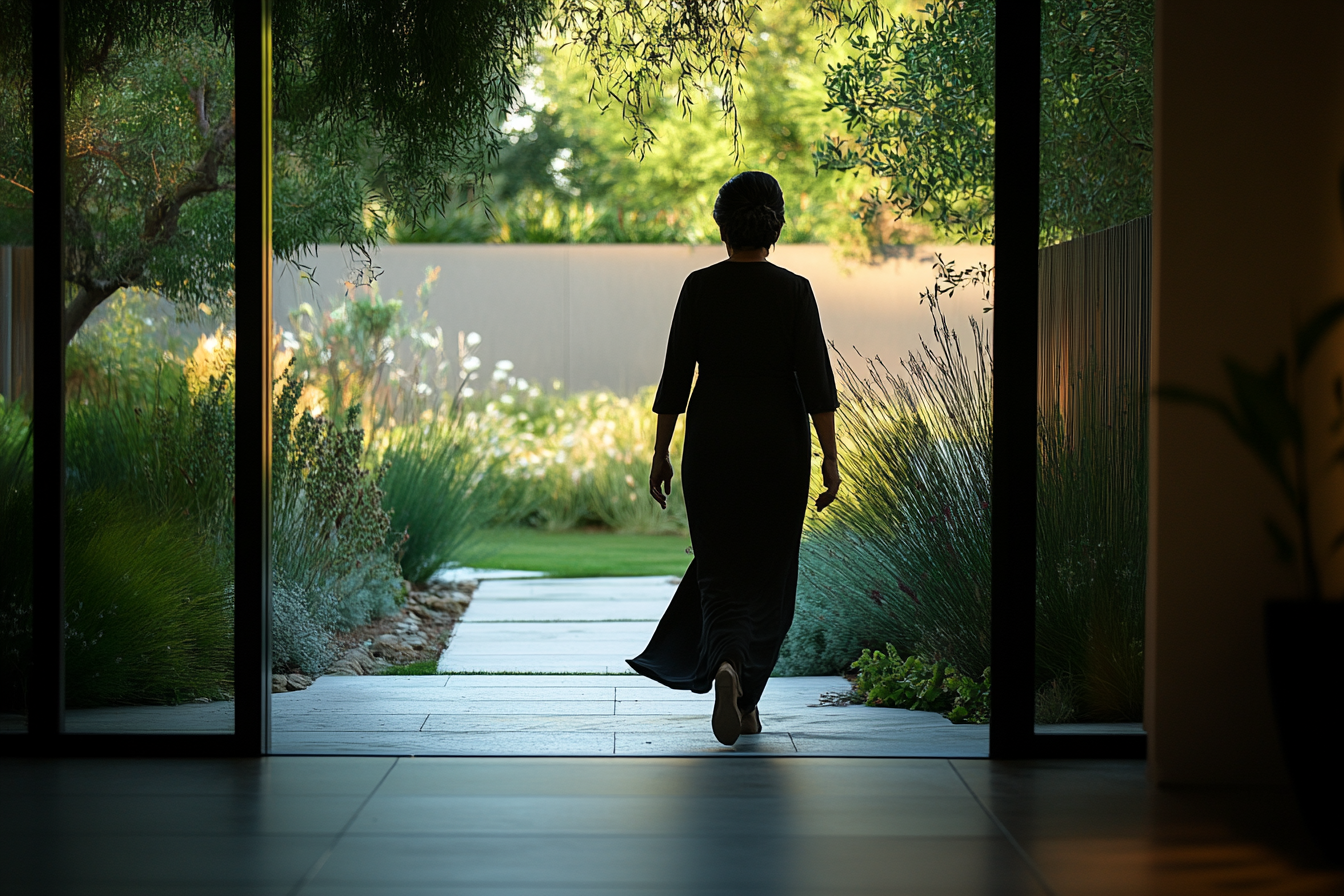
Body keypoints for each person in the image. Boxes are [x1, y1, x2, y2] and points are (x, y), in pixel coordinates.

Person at [626, 171, 841, 746]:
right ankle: (743, 695)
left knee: (720, 572)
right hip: (779, 445)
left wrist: (660, 454)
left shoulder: (700, 288)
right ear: (775, 226)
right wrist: (831, 457)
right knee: (771, 579)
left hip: (714, 441)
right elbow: (817, 381)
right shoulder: (794, 291)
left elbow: (675, 377)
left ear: (722, 225)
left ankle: (727, 672)